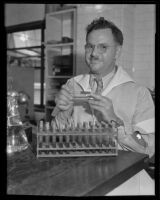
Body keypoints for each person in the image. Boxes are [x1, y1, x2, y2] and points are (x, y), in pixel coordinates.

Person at [51, 17, 155, 158]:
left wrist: (115, 121)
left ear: (117, 52)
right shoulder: (71, 85)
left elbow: (148, 148)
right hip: (79, 173)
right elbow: (53, 137)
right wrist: (63, 114)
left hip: (122, 177)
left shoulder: (140, 94)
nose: (94, 53)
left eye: (103, 47)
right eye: (90, 46)